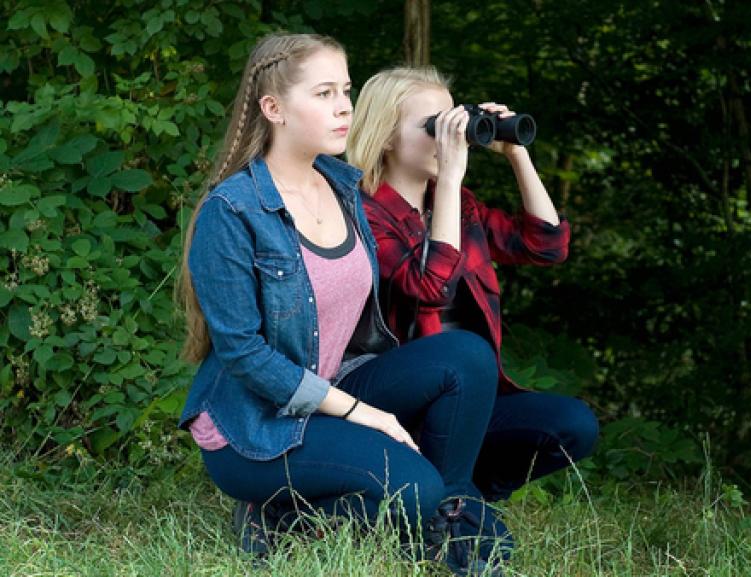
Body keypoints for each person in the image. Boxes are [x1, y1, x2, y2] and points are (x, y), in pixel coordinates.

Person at [175, 33, 506, 575]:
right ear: (274, 109)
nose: (344, 107)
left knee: (466, 356)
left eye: (346, 91)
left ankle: (448, 518)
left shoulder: (344, 187)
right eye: (324, 93)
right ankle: (278, 516)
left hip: (334, 384)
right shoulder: (231, 212)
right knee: (413, 487)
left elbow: (425, 287)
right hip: (256, 428)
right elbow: (245, 355)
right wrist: (363, 413)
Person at [347, 66, 599, 505]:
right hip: (398, 399)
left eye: (454, 123)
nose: (450, 138)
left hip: (468, 396)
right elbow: (430, 288)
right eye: (435, 126)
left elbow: (546, 246)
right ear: (385, 136)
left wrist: (517, 154)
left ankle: (467, 494)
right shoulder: (361, 212)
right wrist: (449, 179)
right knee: (463, 352)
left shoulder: (459, 206)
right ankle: (447, 502)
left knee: (572, 424)